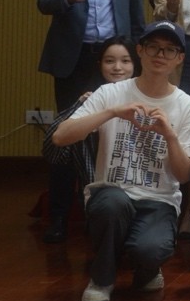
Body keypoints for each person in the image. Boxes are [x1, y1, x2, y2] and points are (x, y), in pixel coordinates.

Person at [51, 21, 190, 301]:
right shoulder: (110, 93)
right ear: (140, 51)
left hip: (159, 201)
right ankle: (102, 279)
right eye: (153, 47)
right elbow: (61, 137)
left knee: (149, 249)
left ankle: (147, 270)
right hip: (111, 192)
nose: (160, 55)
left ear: (180, 58)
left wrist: (169, 135)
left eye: (169, 50)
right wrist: (113, 112)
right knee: (112, 204)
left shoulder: (187, 106)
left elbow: (183, 175)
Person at [38, 0, 146, 244]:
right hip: (74, 60)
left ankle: (104, 213)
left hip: (116, 59)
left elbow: (136, 13)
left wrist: (138, 58)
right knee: (68, 137)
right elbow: (44, 1)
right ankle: (58, 216)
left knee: (117, 133)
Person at [41, 38, 138, 204]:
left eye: (125, 61)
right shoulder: (90, 97)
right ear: (100, 64)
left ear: (136, 64)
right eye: (109, 61)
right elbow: (53, 150)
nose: (117, 67)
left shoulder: (144, 96)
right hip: (95, 181)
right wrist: (80, 105)